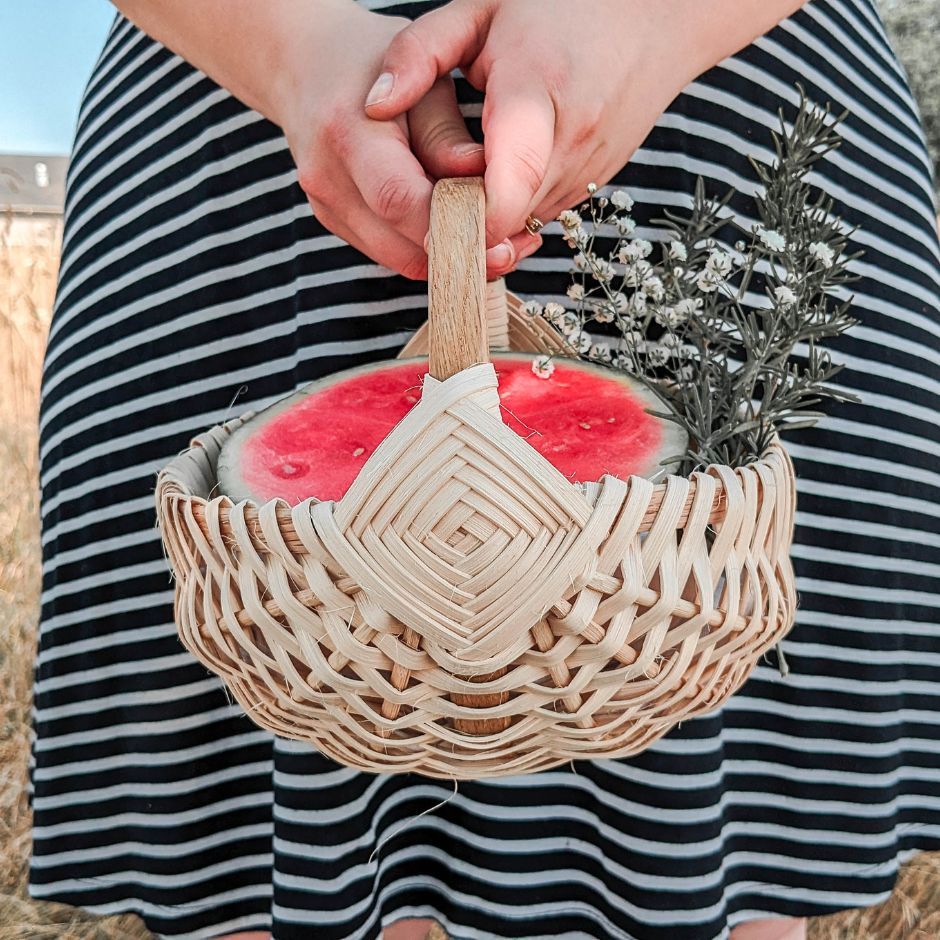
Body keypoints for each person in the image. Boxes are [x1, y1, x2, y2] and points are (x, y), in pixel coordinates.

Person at [28, 1, 940, 939]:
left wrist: (654, 25)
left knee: (705, 846)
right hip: (234, 113)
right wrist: (287, 47)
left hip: (725, 115)